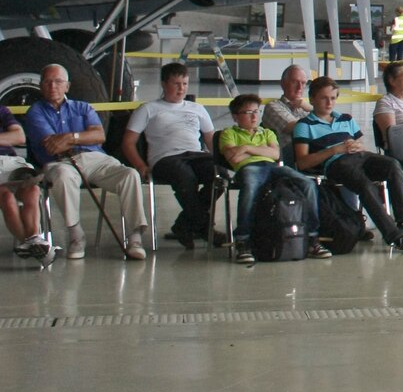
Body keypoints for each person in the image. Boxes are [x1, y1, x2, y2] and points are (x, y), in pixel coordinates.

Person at [293, 75, 403, 253]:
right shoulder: (304, 125)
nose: (329, 103)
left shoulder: (345, 118)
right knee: (365, 186)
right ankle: (396, 238)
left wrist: (355, 145)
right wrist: (335, 150)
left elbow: (362, 143)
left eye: (333, 98)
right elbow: (303, 162)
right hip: (336, 163)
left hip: (360, 156)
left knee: (392, 165)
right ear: (312, 99)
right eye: (324, 98)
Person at [26, 64, 147, 260]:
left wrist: (70, 137)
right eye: (47, 82)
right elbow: (52, 146)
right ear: (41, 86)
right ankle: (76, 235)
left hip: (95, 158)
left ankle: (134, 237)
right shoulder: (35, 112)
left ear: (67, 86)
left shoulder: (82, 107)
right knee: (64, 177)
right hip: (60, 163)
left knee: (129, 175)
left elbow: (99, 136)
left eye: (58, 82)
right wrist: (83, 136)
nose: (53, 86)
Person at [217, 93, 330, 263]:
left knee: (307, 183)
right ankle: (243, 240)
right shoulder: (228, 133)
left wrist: (246, 147)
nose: (254, 116)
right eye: (248, 113)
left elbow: (276, 153)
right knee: (250, 188)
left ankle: (313, 238)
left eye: (256, 111)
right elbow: (233, 157)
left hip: (273, 167)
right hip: (249, 168)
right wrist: (261, 149)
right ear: (236, 116)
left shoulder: (267, 132)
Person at [122, 62, 221, 250]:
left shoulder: (197, 109)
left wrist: (220, 161)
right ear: (164, 84)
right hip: (166, 158)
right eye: (176, 84)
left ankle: (184, 225)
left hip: (196, 155)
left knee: (218, 176)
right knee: (186, 178)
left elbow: (210, 139)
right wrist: (141, 166)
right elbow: (128, 142)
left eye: (184, 84)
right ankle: (206, 229)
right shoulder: (148, 109)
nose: (181, 89)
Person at [0, 105, 51, 264]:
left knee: (32, 189)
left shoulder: (2, 111)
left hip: (11, 162)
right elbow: (11, 136)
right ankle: (32, 242)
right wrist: (5, 137)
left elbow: (19, 136)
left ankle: (30, 242)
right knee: (6, 197)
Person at [261, 64, 314, 153]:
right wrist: (313, 111)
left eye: (303, 83)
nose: (299, 87)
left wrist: (309, 108)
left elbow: (330, 121)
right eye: (294, 82)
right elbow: (299, 128)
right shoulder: (273, 106)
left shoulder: (306, 107)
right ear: (283, 84)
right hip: (292, 156)